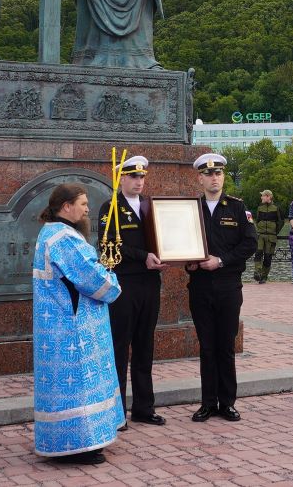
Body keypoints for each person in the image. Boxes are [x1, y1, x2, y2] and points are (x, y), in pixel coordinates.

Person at [34, 183, 123, 463]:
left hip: (58, 325)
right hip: (72, 328)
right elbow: (92, 278)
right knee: (79, 385)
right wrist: (113, 281)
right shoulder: (64, 238)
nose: (87, 209)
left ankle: (67, 441)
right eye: (83, 204)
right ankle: (79, 445)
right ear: (66, 207)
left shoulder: (52, 232)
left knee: (64, 387)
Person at [96, 154, 166, 426]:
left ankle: (144, 407)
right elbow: (109, 246)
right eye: (133, 177)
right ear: (121, 178)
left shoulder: (151, 206)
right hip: (124, 283)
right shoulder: (110, 207)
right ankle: (116, 412)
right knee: (119, 346)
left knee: (145, 345)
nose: (138, 182)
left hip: (150, 283)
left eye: (142, 177)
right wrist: (143, 256)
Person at [187, 153, 257, 421]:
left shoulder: (238, 208)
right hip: (200, 286)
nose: (213, 178)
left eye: (218, 173)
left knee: (225, 346)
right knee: (206, 346)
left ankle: (227, 402)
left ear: (223, 177)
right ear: (200, 178)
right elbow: (183, 243)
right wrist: (190, 264)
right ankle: (207, 403)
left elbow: (249, 244)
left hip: (228, 285)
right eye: (208, 174)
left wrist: (221, 260)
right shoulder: (192, 208)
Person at [252, 190, 283, 284]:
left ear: (268, 197)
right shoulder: (259, 208)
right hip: (260, 235)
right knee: (258, 253)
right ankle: (257, 272)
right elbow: (257, 220)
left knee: (268, 257)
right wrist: (260, 229)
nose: (261, 197)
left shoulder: (276, 208)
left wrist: (274, 232)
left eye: (263, 196)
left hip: (271, 237)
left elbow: (280, 222)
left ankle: (264, 277)